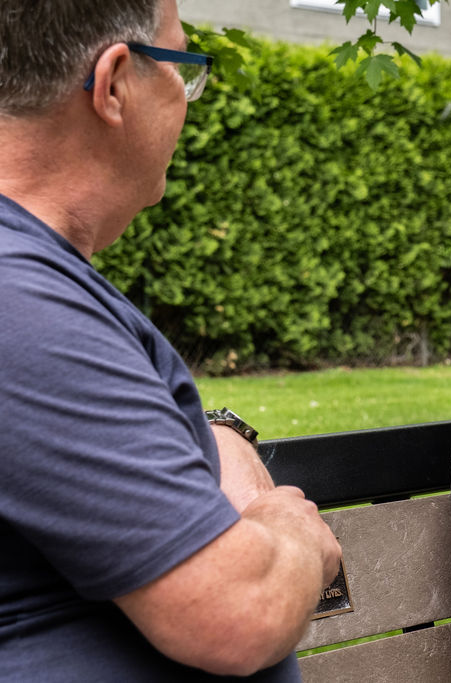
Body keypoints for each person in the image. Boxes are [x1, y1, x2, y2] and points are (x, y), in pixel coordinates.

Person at [0, 1, 342, 680]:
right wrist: (289, 524)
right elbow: (238, 612)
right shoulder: (21, 301)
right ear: (116, 83)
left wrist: (213, 434)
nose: (188, 102)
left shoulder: (37, 284)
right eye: (182, 69)